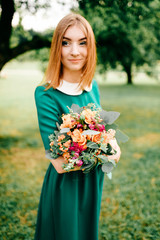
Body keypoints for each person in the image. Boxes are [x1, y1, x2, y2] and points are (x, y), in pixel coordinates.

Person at [34, 13, 104, 240]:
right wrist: (106, 150)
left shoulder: (92, 87)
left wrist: (104, 145)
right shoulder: (46, 94)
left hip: (92, 183)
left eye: (82, 42)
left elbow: (103, 134)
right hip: (65, 188)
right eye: (66, 42)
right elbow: (61, 164)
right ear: (57, 47)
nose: (75, 51)